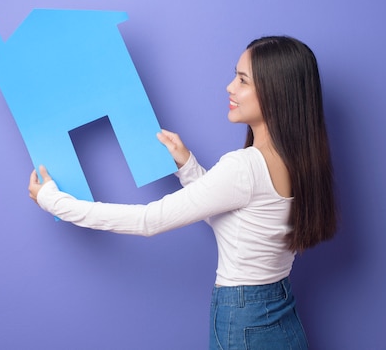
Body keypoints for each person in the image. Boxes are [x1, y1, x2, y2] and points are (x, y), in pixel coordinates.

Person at [28, 35, 338, 350]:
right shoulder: (299, 160)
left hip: (245, 319)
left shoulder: (244, 167)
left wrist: (53, 201)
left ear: (276, 93)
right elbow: (238, 225)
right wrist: (188, 166)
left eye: (242, 80)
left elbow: (149, 220)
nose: (230, 87)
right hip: (281, 310)